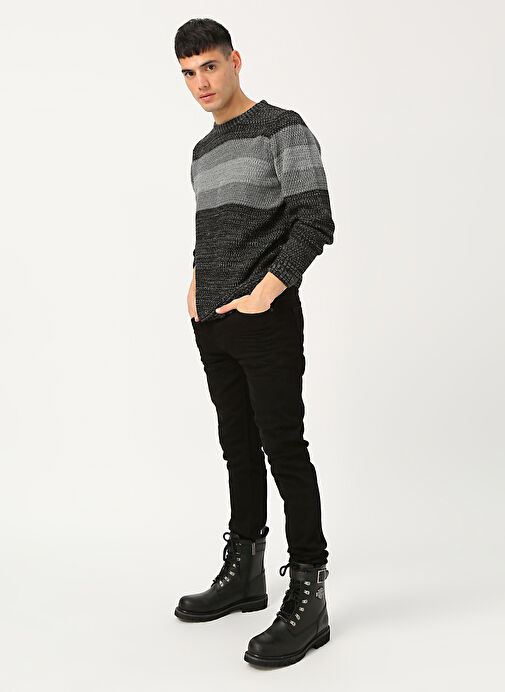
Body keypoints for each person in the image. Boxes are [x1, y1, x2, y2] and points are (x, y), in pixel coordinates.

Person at [173, 18, 336, 667]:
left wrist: (267, 290)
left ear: (235, 60)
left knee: (283, 449)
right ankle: (244, 573)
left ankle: (309, 593)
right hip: (212, 323)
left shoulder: (281, 128)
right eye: (188, 73)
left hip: (264, 319)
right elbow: (212, 231)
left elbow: (314, 219)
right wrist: (195, 281)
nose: (200, 83)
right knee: (237, 448)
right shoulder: (202, 151)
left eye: (209, 66)